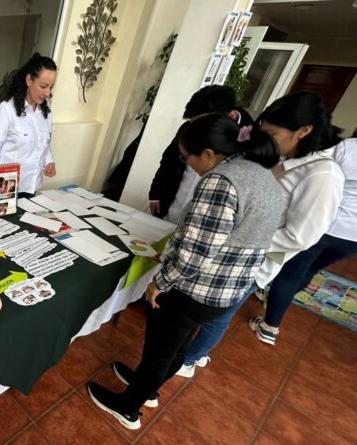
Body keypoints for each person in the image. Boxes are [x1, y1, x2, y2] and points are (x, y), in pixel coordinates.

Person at [88, 114, 285, 430]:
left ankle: (128, 407)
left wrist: (160, 282)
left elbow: (198, 251)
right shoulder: (261, 173)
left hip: (194, 289)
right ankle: (147, 388)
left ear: (208, 153)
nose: (188, 166)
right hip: (226, 290)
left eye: (187, 157)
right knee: (176, 348)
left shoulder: (221, 182)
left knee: (159, 352)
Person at [177, 92, 345, 378]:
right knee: (215, 308)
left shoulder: (323, 176)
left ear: (303, 131)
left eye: (273, 133)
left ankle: (191, 359)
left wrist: (239, 240)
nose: (266, 139)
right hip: (242, 249)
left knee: (221, 313)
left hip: (258, 256)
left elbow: (302, 237)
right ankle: (194, 354)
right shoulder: (288, 158)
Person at [253, 136, 356, 342]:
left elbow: (320, 165)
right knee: (310, 270)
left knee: (291, 272)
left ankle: (270, 326)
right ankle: (272, 301)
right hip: (353, 237)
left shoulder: (349, 147)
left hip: (327, 224)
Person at [148, 86, 253, 223]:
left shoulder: (248, 143)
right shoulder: (189, 128)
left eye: (204, 122)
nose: (197, 128)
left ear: (231, 116)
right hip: (174, 201)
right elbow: (169, 160)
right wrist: (156, 194)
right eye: (194, 122)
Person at [0, 53, 57, 199]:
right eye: (43, 86)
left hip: (32, 186)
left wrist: (49, 162)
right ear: (29, 80)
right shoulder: (6, 110)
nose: (47, 93)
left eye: (51, 87)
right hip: (6, 190)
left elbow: (44, 143)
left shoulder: (46, 111)